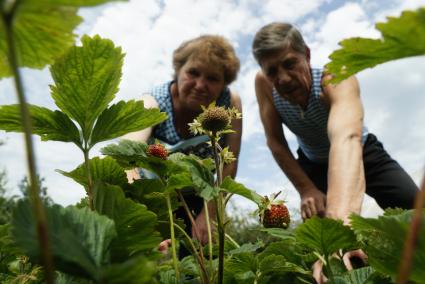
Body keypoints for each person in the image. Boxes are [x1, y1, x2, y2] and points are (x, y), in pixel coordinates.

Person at [252, 23, 419, 281]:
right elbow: (275, 142)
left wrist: (340, 226)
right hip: (312, 164)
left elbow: (346, 138)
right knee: (316, 248)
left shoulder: (335, 78)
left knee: (416, 210)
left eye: (290, 64)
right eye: (272, 70)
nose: (283, 78)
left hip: (362, 151)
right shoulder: (264, 85)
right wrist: (306, 189)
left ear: (307, 55)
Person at [126, 35, 242, 257]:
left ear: (223, 84)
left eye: (213, 78)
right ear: (178, 70)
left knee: (202, 260)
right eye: (193, 73)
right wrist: (143, 217)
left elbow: (229, 163)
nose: (200, 85)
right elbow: (126, 156)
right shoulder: (152, 103)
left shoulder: (229, 104)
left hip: (201, 196)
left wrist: (209, 214)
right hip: (152, 195)